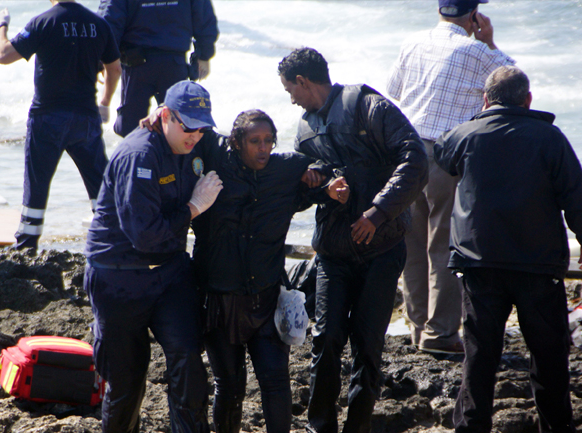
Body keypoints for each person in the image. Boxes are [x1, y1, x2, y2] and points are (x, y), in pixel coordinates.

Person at [434, 65, 582, 433]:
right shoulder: (550, 137)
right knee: (548, 356)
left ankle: (471, 427)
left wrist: (476, 121)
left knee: (480, 356)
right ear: (528, 100)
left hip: (480, 264)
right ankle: (556, 428)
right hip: (537, 265)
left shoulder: (466, 134)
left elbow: (442, 155)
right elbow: (576, 196)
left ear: (485, 99)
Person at [278, 47, 428, 433]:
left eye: (289, 89)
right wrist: (322, 186)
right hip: (332, 253)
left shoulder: (370, 107)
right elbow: (299, 195)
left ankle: (356, 428)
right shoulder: (304, 129)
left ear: (303, 81)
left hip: (382, 249)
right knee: (325, 338)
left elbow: (415, 161)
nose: (290, 98)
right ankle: (320, 427)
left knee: (368, 347)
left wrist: (377, 214)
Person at [191, 110, 345, 433]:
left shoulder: (284, 169)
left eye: (269, 141)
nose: (264, 148)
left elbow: (324, 170)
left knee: (275, 381)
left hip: (267, 297)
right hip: (219, 300)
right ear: (236, 142)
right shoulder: (215, 157)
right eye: (255, 141)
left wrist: (322, 178)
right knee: (229, 386)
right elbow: (183, 134)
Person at [84, 80, 222, 433]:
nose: (195, 136)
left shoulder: (197, 143)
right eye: (188, 126)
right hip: (118, 275)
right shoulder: (138, 155)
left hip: (169, 273)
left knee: (188, 362)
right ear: (165, 116)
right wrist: (194, 207)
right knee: (127, 383)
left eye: (202, 127)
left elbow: (243, 145)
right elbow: (144, 235)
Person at [386, 0, 515, 354]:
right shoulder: (476, 51)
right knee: (443, 243)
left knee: (413, 245)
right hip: (446, 153)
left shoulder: (412, 42)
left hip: (406, 152)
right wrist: (489, 42)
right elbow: (515, 87)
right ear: (473, 15)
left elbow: (393, 92)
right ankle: (440, 334)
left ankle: (418, 328)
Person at [0, 0, 122, 250]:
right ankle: (112, 240)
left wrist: (1, 26)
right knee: (100, 183)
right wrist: (105, 102)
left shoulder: (44, 21)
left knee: (38, 181)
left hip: (48, 116)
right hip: (85, 117)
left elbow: (4, 55)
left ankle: (27, 245)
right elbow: (115, 69)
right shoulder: (98, 24)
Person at [98, 0, 218, 137]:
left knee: (130, 129)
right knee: (179, 126)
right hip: (173, 63)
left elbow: (109, 22)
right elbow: (203, 17)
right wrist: (204, 55)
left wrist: (102, 60)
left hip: (137, 66)